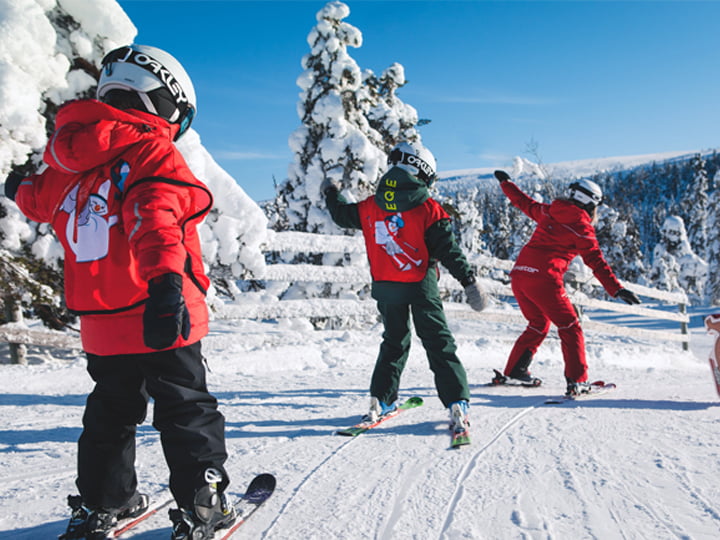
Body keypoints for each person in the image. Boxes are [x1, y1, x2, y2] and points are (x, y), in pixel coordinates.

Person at [4, 44, 235, 540]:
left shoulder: (70, 163)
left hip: (103, 321)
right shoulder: (150, 151)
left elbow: (36, 198)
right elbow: (154, 218)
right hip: (159, 306)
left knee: (111, 409)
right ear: (164, 102)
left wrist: (15, 186)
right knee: (185, 406)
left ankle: (103, 503)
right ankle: (204, 505)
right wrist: (167, 284)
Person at [321, 141, 488, 436]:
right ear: (423, 172)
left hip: (386, 287)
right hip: (420, 286)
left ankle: (380, 400)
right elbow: (449, 251)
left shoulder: (370, 205)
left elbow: (340, 215)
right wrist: (469, 282)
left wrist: (330, 192)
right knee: (438, 343)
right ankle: (456, 403)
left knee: (394, 342)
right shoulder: (428, 208)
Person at [492, 170, 641, 396]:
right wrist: (616, 288)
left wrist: (506, 183)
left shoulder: (549, 211)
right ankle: (577, 381)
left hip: (520, 275)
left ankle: (515, 371)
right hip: (544, 279)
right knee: (570, 326)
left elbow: (523, 202)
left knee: (538, 323)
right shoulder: (581, 225)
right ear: (590, 204)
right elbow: (596, 261)